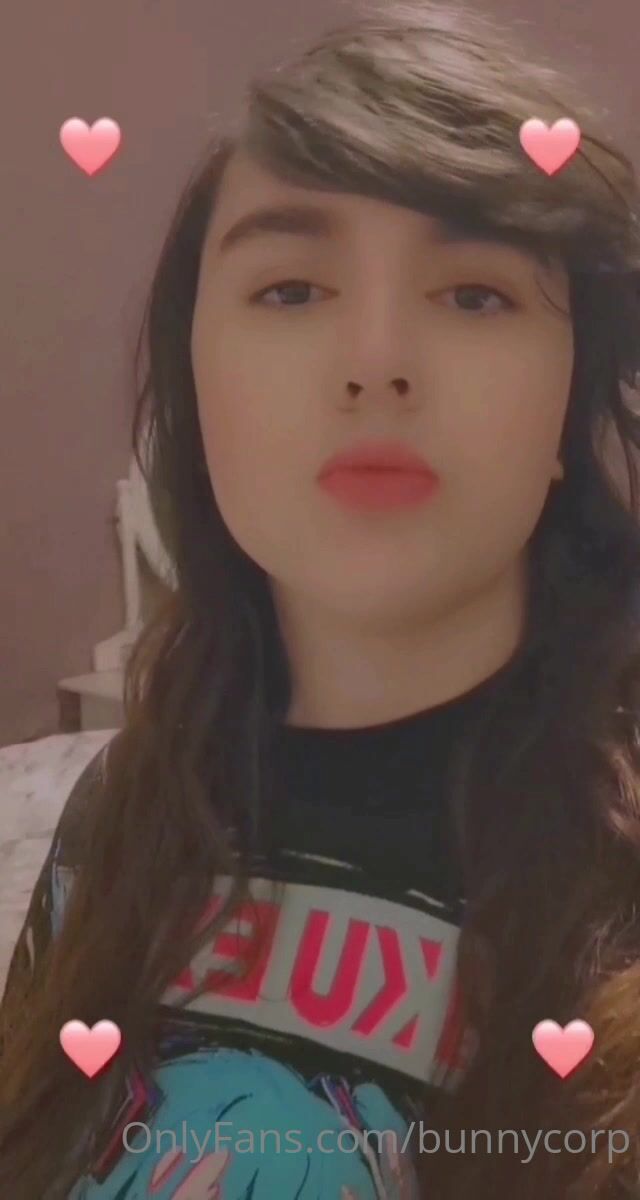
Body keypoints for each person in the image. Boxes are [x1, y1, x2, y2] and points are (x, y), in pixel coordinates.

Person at [2, 1, 640, 1196]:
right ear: (200, 392)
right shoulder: (121, 814)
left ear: (566, 412)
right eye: (291, 290)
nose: (376, 358)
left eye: (474, 294)